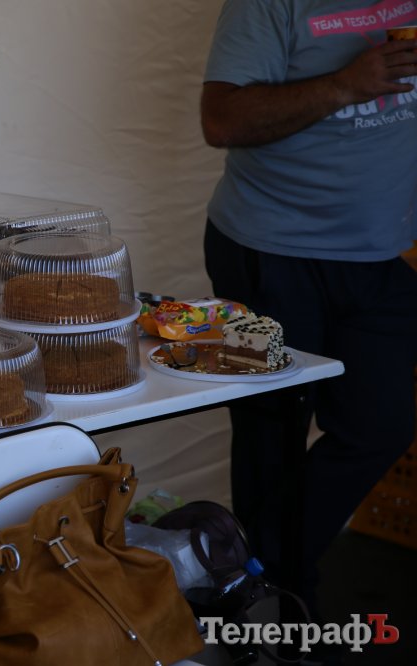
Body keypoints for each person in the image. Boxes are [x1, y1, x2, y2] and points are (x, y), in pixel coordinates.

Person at [199, 0, 417, 634]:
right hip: (268, 252)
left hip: (379, 255)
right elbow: (222, 119)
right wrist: (347, 83)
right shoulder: (268, 5)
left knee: (379, 427)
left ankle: (247, 572)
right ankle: (278, 607)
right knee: (272, 433)